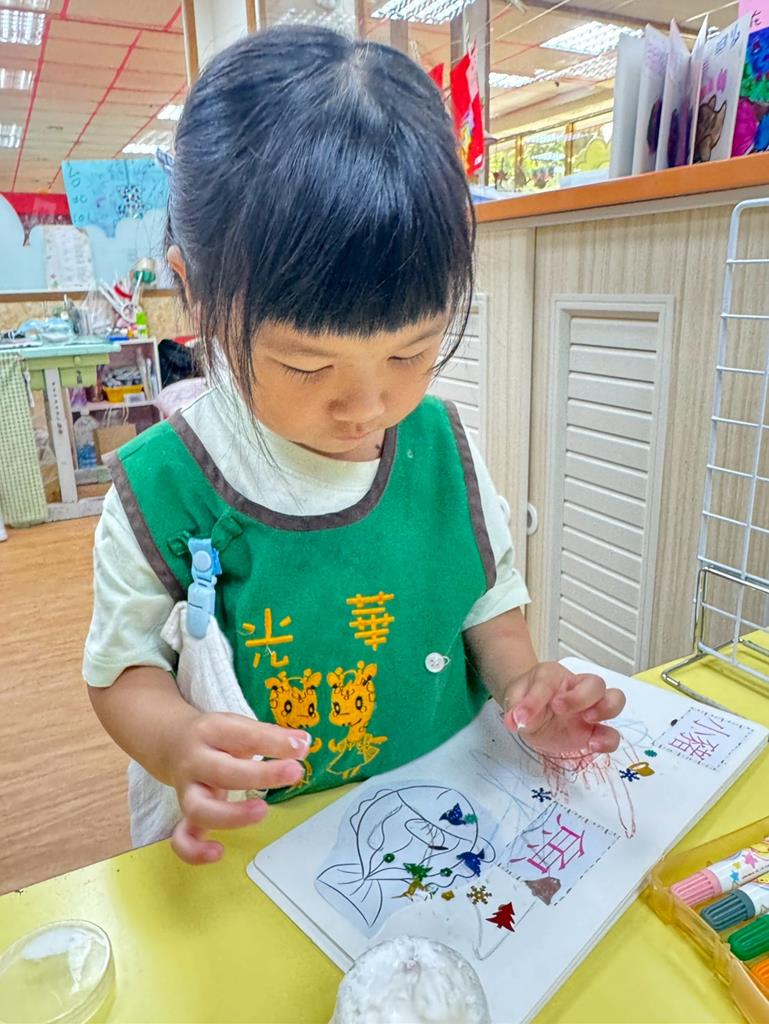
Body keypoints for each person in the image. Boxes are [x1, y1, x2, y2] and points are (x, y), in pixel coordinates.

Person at [85, 25, 625, 866]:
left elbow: (486, 602)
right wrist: (176, 742)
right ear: (192, 292)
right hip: (261, 847)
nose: (369, 406)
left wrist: (525, 689)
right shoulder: (162, 488)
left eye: (412, 352)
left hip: (434, 823)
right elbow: (122, 670)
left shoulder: (439, 445)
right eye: (306, 365)